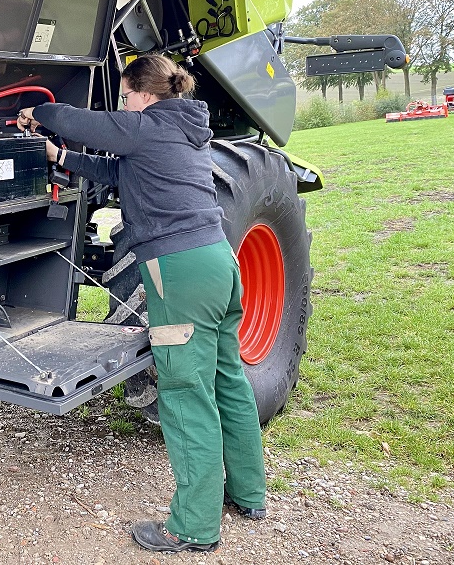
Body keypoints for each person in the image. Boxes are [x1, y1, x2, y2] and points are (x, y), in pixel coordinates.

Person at [17, 53, 267, 554]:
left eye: (126, 97)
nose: (124, 106)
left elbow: (83, 123)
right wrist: (60, 158)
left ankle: (194, 526)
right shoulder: (181, 128)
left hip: (180, 270)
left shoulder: (147, 124)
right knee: (226, 378)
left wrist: (36, 112)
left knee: (184, 391)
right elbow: (121, 171)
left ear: (145, 94)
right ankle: (248, 494)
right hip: (218, 259)